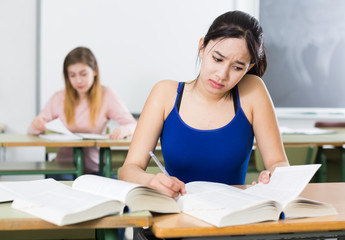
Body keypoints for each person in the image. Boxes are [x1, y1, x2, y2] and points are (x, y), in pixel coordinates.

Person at [119, 10, 290, 198]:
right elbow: (128, 170)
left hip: (232, 217)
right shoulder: (165, 94)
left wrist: (273, 176)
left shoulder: (252, 91)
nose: (222, 74)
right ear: (202, 47)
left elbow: (278, 163)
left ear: (248, 68)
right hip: (176, 216)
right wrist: (150, 181)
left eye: (237, 67)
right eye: (217, 59)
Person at [28, 46, 137, 178]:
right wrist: (36, 126)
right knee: (65, 184)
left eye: (83, 74)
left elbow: (133, 124)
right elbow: (32, 130)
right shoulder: (59, 97)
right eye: (72, 75)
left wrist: (125, 130)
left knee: (115, 183)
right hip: (65, 166)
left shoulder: (106, 95)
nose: (78, 80)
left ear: (95, 71)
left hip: (96, 167)